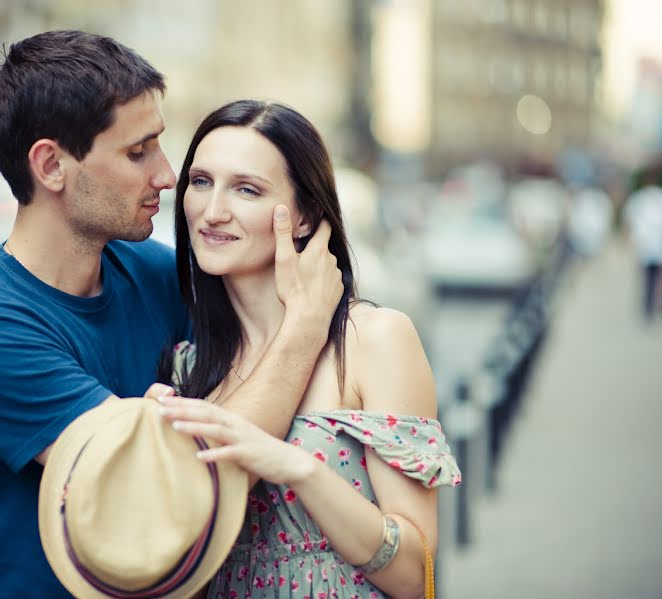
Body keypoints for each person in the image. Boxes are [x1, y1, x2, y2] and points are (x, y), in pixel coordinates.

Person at [0, 31, 342, 598]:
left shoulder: (151, 273)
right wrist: (304, 329)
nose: (166, 175)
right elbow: (176, 486)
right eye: (138, 152)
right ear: (51, 166)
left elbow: (257, 349)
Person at [156, 100, 461, 599]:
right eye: (201, 182)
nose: (212, 212)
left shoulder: (374, 341)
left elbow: (415, 576)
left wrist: (300, 469)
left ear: (305, 217)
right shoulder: (186, 367)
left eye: (247, 189)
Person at [623, 175, 662, 320]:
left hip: (652, 245)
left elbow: (629, 222)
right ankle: (654, 306)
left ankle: (651, 306)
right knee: (657, 278)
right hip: (655, 245)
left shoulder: (642, 199)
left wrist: (627, 240)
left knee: (651, 278)